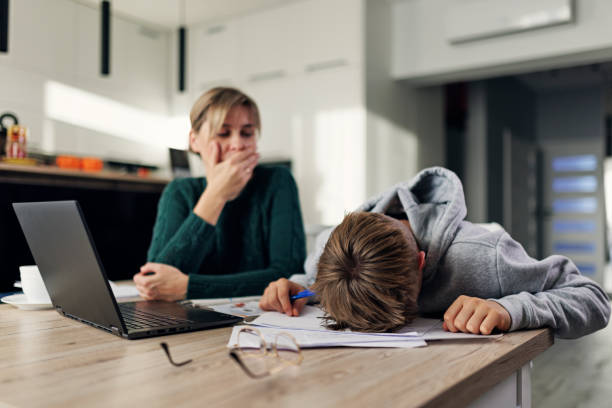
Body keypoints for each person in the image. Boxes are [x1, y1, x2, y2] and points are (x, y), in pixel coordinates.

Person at [259, 167, 611, 339]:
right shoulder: (327, 248)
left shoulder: (482, 255)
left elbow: (594, 298)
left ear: (421, 261)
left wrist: (509, 308)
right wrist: (298, 286)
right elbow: (311, 281)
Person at [134, 87, 306, 301]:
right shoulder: (179, 192)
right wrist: (215, 195)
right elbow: (156, 280)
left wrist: (191, 286)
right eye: (223, 133)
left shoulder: (278, 182)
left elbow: (288, 275)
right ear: (194, 141)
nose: (237, 145)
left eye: (247, 133)